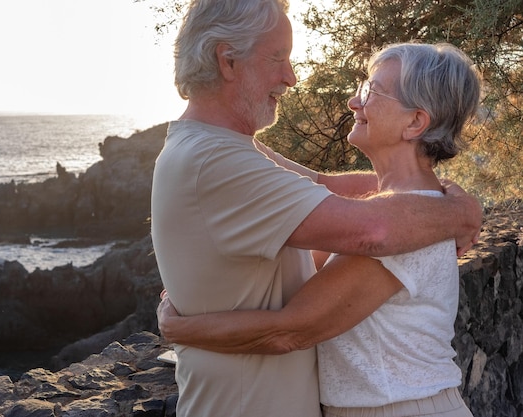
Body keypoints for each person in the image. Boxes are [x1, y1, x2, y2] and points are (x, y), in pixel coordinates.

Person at [151, 0, 481, 416]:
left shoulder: (408, 226)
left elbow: (292, 328)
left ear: (415, 123)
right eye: (279, 59)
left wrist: (183, 329)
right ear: (227, 61)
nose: (352, 101)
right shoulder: (219, 160)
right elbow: (343, 202)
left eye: (371, 91)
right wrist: (460, 210)